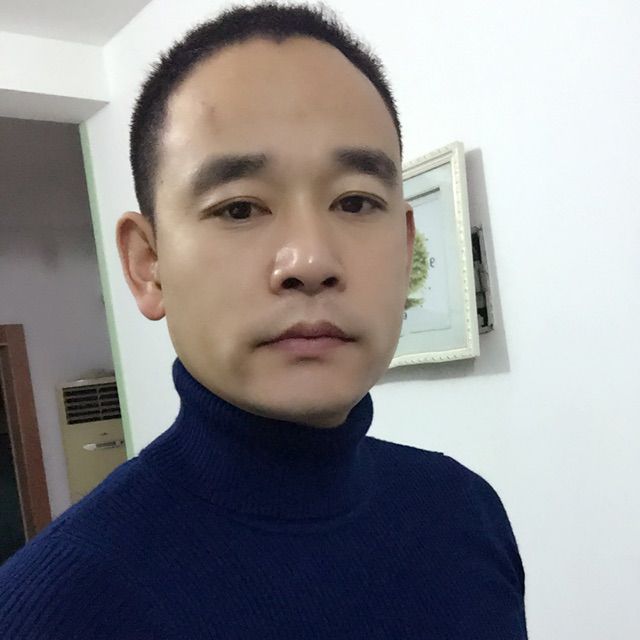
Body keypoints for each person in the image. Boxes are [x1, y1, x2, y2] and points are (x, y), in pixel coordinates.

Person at [0, 2, 527, 638]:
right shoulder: (53, 609)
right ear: (148, 265)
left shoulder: (464, 511)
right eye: (240, 209)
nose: (311, 261)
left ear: (406, 242)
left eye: (356, 201)